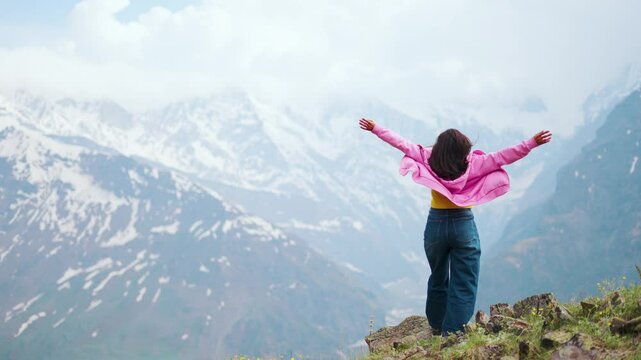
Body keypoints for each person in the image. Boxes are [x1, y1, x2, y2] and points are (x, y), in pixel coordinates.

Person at [359, 118, 551, 336]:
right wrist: (532, 143)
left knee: (438, 276)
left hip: (436, 225)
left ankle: (436, 326)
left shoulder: (428, 158)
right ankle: (452, 334)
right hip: (463, 225)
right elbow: (504, 156)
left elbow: (401, 143)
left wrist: (376, 129)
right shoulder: (474, 164)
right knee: (464, 281)